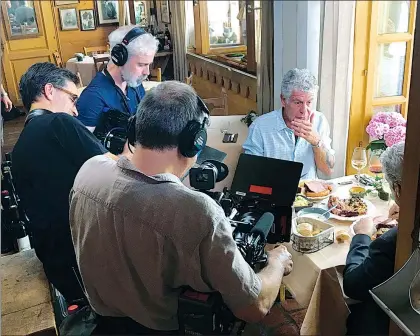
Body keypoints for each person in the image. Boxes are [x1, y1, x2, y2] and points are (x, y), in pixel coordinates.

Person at [70, 81, 294, 334]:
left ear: (135, 129)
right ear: (195, 141)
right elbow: (254, 306)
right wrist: (277, 261)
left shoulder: (88, 171)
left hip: (104, 324)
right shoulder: (196, 210)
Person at [11, 62, 112, 304]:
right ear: (49, 91)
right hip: (87, 262)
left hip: (58, 265)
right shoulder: (59, 123)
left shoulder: (20, 145)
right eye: (73, 99)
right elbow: (115, 171)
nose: (75, 110)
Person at [343, 142, 403, 335]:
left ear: (397, 188)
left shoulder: (390, 243)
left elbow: (352, 285)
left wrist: (361, 236)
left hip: (393, 322)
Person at [242, 68, 335, 179]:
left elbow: (328, 170)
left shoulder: (319, 121)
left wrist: (316, 142)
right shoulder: (260, 127)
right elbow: (249, 174)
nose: (304, 110)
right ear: (283, 100)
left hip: (309, 193)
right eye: (297, 102)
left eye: (309, 102)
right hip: (274, 192)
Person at [76, 25, 159, 133]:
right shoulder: (93, 96)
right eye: (141, 65)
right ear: (120, 58)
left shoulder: (133, 82)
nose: (147, 72)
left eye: (148, 65)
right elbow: (82, 147)